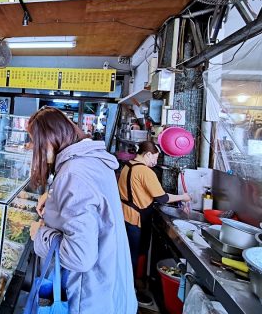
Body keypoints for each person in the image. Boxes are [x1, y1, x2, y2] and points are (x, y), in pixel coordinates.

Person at [28, 107, 137, 314]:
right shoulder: (91, 160)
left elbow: (80, 256)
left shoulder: (74, 175)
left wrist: (39, 235)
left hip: (90, 297)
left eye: (36, 142)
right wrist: (52, 197)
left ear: (51, 139)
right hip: (111, 284)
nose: (33, 148)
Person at [118, 141, 191, 287]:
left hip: (124, 215)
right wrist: (184, 197)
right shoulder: (145, 171)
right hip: (135, 219)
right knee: (132, 256)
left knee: (125, 254)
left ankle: (126, 287)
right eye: (155, 158)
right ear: (148, 154)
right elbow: (162, 198)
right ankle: (129, 290)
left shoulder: (128, 165)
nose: (155, 162)